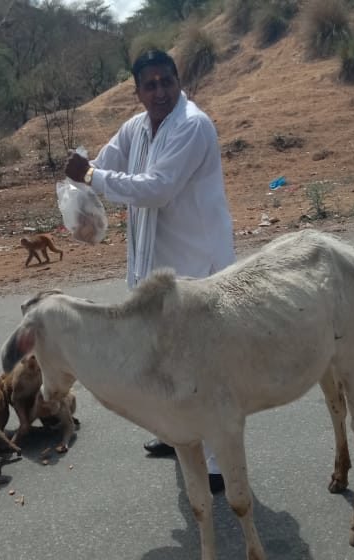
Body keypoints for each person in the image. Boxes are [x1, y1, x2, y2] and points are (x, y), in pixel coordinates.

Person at [64, 49, 235, 495]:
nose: (160, 91)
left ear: (178, 82)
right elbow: (104, 162)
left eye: (167, 81)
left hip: (197, 266)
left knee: (202, 366)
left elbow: (157, 189)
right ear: (137, 92)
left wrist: (93, 177)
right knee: (161, 358)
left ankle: (218, 463)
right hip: (152, 268)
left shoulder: (192, 125)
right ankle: (174, 434)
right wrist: (79, 195)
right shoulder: (136, 128)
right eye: (150, 84)